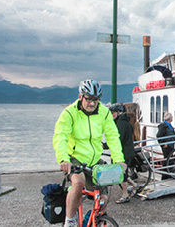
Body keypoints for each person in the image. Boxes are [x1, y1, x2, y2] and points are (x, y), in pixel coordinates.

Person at [53, 79, 126, 227]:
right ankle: (70, 221)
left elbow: (112, 136)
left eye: (96, 100)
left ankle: (95, 220)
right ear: (81, 97)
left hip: (94, 161)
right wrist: (63, 159)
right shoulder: (69, 113)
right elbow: (60, 136)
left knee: (104, 198)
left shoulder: (104, 112)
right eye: (89, 99)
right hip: (75, 159)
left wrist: (119, 160)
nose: (92, 103)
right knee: (78, 183)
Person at [109, 103, 138, 204]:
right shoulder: (127, 122)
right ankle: (134, 185)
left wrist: (105, 145)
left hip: (123, 153)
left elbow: (118, 139)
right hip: (128, 151)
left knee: (121, 175)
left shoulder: (120, 124)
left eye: (112, 113)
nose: (111, 115)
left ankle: (125, 195)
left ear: (118, 112)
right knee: (123, 174)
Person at [156, 112, 175, 179]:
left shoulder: (168, 125)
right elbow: (158, 135)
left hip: (170, 144)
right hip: (167, 145)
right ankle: (165, 175)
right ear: (170, 118)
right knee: (167, 159)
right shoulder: (163, 126)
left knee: (169, 159)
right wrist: (163, 143)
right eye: (172, 117)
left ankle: (168, 174)